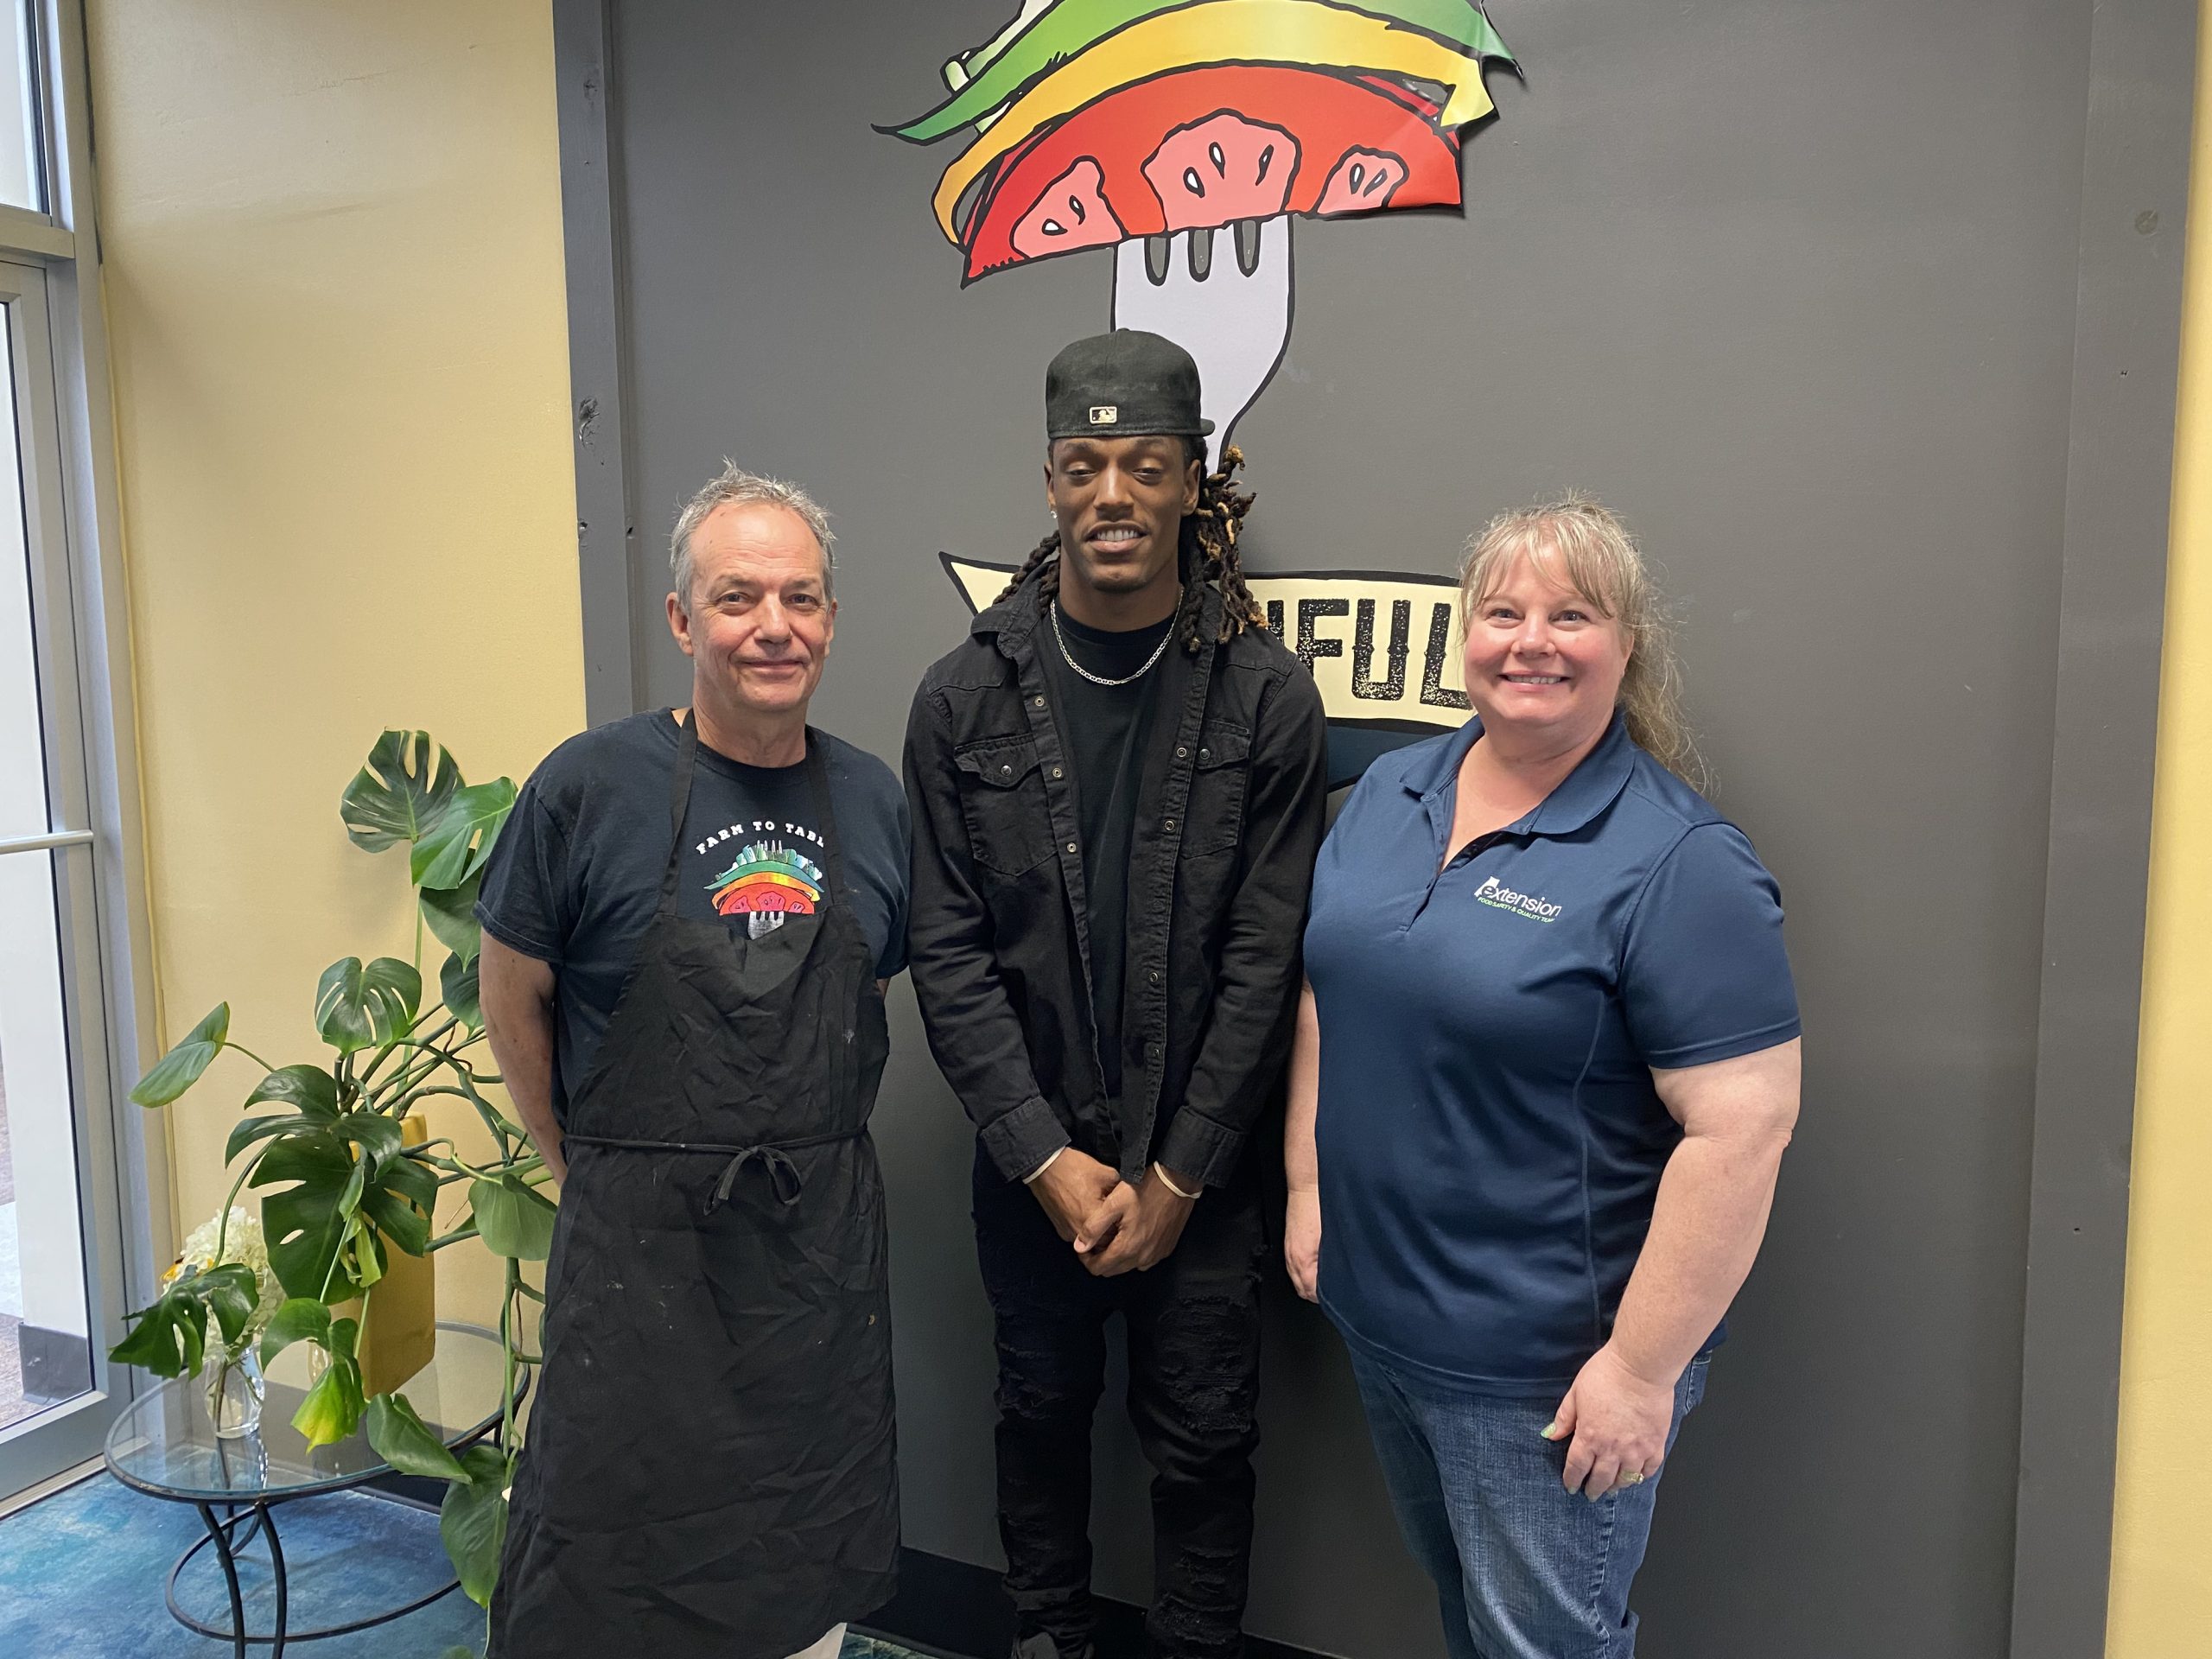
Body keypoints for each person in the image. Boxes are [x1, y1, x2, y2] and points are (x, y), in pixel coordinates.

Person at [1284, 497, 1802, 1659]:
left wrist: (1640, 1370)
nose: (1532, 640)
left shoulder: (1678, 862)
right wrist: (1311, 1191)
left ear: (1627, 646)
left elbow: (1745, 1129)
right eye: (1503, 610)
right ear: (1464, 635)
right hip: (1384, 1328)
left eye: (1572, 615)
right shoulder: (1389, 794)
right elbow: (1328, 989)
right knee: (1471, 1624)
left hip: (1546, 1382)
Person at [906, 330, 1326, 1659]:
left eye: (1144, 465)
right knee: (1036, 1416)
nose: (1113, 496)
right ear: (1047, 482)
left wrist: (1179, 1176)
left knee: (1204, 1450)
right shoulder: (961, 700)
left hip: (1200, 1179)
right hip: (1030, 1166)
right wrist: (1043, 1159)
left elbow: (1268, 957)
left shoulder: (1266, 701)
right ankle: (1046, 1641)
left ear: (1193, 479)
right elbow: (948, 950)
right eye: (1084, 466)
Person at [476, 465, 909, 1659]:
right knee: (607, 1584)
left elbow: (865, 995)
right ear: (682, 620)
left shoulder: (873, 803)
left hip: (810, 1270)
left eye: (801, 597)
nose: (775, 625)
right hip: (638, 1271)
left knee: (797, 1584)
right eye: (738, 597)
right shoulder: (587, 787)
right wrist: (582, 1158)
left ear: (828, 617)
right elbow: (512, 993)